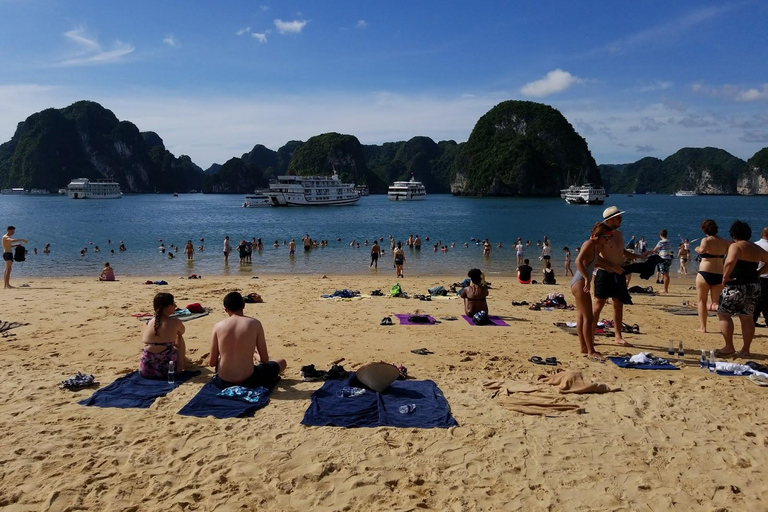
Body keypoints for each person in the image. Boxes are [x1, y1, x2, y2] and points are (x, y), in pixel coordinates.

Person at [592, 206, 650, 347]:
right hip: (604, 273)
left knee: (618, 305)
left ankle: (618, 336)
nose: (621, 219)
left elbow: (622, 251)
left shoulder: (619, 234)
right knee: (598, 305)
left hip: (618, 274)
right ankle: (590, 335)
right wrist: (611, 266)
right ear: (610, 219)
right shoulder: (600, 234)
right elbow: (594, 258)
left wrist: (639, 256)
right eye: (619, 217)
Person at [209, 291, 287, 389]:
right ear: (244, 305)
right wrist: (254, 354)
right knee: (282, 362)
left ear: (226, 310)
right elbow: (264, 360)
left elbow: (212, 363)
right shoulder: (255, 324)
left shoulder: (218, 326)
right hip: (248, 380)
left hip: (223, 381)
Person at [716, 221, 768, 357]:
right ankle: (745, 349)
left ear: (733, 234)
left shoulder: (736, 246)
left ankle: (729, 346)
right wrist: (758, 272)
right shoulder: (756, 248)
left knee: (723, 313)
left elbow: (730, 261)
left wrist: (725, 277)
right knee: (747, 317)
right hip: (753, 285)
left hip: (736, 285)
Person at [572, 222, 621, 360]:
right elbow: (578, 261)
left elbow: (593, 263)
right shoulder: (589, 243)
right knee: (589, 318)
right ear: (599, 236)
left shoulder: (594, 246)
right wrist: (587, 278)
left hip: (579, 282)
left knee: (582, 317)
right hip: (580, 282)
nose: (608, 241)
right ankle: (590, 350)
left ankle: (584, 347)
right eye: (606, 238)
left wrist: (610, 267)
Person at [694, 219, 731, 333]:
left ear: (704, 229)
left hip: (705, 271)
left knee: (702, 301)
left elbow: (702, 250)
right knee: (716, 303)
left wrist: (696, 248)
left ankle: (703, 327)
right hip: (719, 272)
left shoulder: (706, 240)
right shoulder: (725, 241)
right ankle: (723, 326)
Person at [139, 293, 187, 378]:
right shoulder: (175, 322)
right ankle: (181, 364)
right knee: (179, 336)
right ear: (166, 307)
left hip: (145, 371)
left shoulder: (147, 323)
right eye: (173, 304)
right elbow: (182, 332)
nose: (175, 306)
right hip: (169, 372)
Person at [754, 227, 768, 327]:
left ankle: (753, 318)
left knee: (759, 299)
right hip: (765, 275)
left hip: (756, 274)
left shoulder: (754, 245)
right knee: (764, 300)